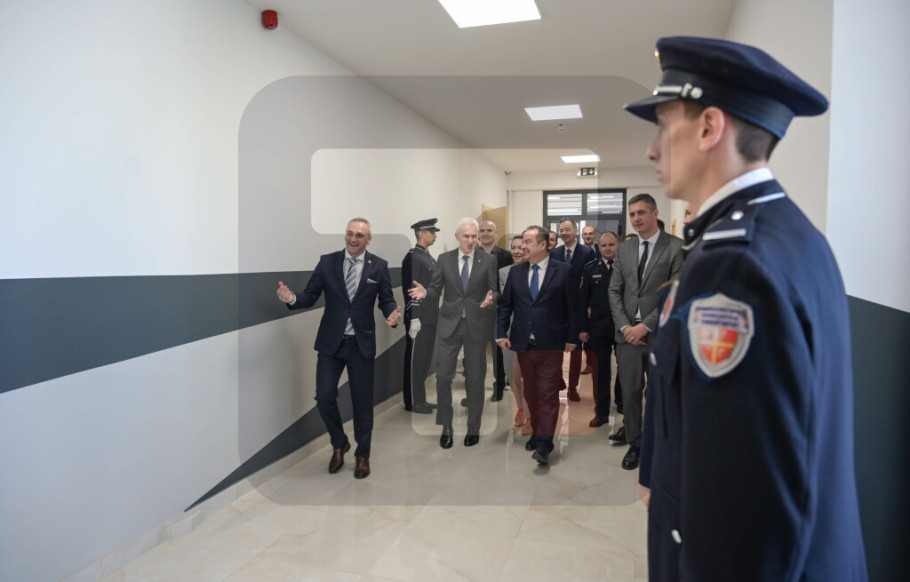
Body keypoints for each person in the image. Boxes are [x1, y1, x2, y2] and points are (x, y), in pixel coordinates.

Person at [625, 36, 867, 580]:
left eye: (663, 126)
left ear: (709, 128)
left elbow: (739, 503)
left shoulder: (735, 264)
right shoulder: (786, 233)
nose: (652, 150)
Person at [276, 218, 400, 480]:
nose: (353, 239)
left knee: (362, 404)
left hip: (361, 345)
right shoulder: (327, 262)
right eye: (349, 233)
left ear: (368, 239)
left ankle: (362, 455)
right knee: (323, 397)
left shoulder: (378, 266)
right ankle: (339, 442)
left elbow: (386, 300)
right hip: (331, 344)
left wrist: (391, 314)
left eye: (359, 235)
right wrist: (293, 299)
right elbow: (310, 295)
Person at [608, 193, 683, 470]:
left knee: (659, 393)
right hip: (627, 335)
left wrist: (645, 325)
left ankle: (658, 441)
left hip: (660, 334)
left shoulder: (676, 247)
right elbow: (614, 290)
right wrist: (626, 327)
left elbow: (676, 293)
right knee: (629, 392)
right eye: (632, 214)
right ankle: (636, 443)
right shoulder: (625, 249)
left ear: (654, 213)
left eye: (641, 213)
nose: (636, 219)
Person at [408, 218, 497, 448]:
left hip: (476, 326)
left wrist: (492, 298)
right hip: (449, 326)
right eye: (466, 236)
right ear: (457, 237)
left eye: (474, 236)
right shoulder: (444, 259)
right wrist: (425, 292)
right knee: (443, 378)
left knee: (475, 380)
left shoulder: (488, 260)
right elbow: (436, 288)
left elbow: (494, 291)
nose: (471, 240)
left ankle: (473, 428)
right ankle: (446, 427)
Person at [497, 226, 578, 466]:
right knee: (531, 391)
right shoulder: (516, 272)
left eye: (528, 242)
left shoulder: (564, 271)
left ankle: (545, 443)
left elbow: (573, 307)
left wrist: (572, 337)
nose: (523, 246)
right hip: (524, 343)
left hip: (551, 343)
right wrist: (500, 333)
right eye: (522, 242)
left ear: (543, 245)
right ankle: (537, 432)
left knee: (547, 393)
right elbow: (506, 306)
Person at [549, 218, 596, 402]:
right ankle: (558, 381)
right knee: (555, 348)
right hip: (557, 307)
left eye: (568, 229)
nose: (564, 233)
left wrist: (589, 305)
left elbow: (591, 281)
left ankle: (573, 388)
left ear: (576, 231)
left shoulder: (587, 252)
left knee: (576, 349)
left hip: (578, 306)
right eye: (561, 230)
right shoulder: (554, 253)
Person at [579, 231, 620, 427]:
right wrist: (583, 328)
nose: (608, 248)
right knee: (600, 372)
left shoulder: (625, 267)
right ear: (598, 247)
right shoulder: (590, 269)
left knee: (625, 369)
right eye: (604, 245)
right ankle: (601, 412)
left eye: (611, 244)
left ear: (618, 245)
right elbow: (582, 301)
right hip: (598, 328)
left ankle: (622, 403)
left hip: (622, 327)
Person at [401, 218, 440, 414]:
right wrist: (414, 316)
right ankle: (412, 401)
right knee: (415, 362)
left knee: (424, 361)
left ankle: (421, 399)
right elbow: (410, 288)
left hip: (431, 316)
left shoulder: (428, 257)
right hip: (419, 318)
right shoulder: (414, 257)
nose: (435, 235)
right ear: (421, 233)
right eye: (432, 232)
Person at [499, 235, 532, 436]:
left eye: (521, 247)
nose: (517, 251)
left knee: (529, 376)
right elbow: (499, 301)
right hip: (509, 331)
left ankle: (529, 415)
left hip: (530, 331)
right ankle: (520, 406)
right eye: (514, 247)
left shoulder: (536, 272)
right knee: (512, 374)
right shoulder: (503, 272)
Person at [478, 220, 513, 401]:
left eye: (489, 230)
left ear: (496, 233)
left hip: (498, 311)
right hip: (477, 312)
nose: (485, 233)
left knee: (498, 352)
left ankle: (498, 386)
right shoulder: (472, 255)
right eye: (482, 230)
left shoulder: (506, 256)